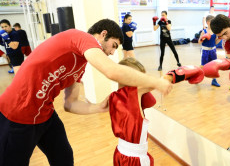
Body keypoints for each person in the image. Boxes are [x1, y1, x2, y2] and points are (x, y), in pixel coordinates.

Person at [0, 19, 173, 166]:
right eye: (113, 46)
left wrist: (99, 107)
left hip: (45, 113)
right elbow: (111, 71)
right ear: (103, 34)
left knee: (64, 157)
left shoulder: (80, 64)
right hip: (17, 113)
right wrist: (156, 82)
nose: (113, 52)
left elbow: (70, 104)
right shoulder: (79, 37)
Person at [110, 57, 204, 166]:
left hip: (119, 153)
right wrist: (188, 71)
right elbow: (164, 79)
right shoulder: (134, 93)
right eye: (140, 78)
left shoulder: (113, 96)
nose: (143, 80)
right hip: (135, 160)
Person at [198, 15, 220, 87]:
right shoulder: (204, 31)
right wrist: (202, 38)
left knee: (215, 65)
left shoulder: (215, 32)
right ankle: (197, 77)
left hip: (213, 50)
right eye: (212, 22)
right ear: (208, 22)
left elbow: (215, 42)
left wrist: (219, 38)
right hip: (205, 51)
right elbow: (199, 42)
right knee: (203, 66)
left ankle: (214, 80)